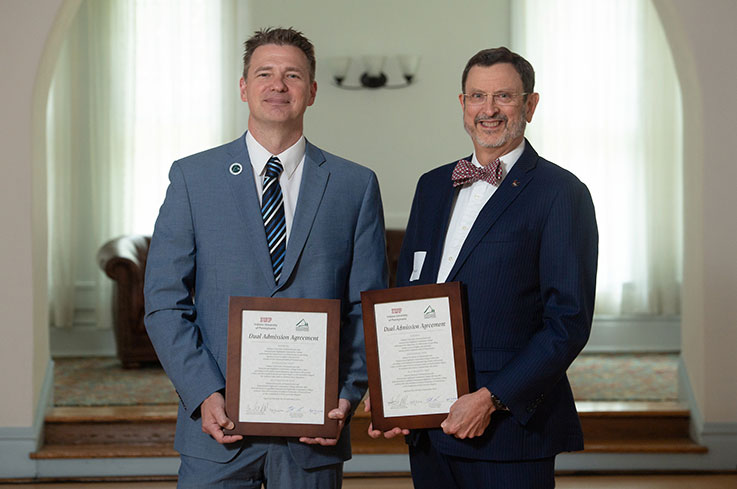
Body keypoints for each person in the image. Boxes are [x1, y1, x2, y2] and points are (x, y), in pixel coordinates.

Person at [144, 27, 387, 488]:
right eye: (265, 74)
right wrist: (203, 394)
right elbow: (163, 301)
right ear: (243, 88)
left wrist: (345, 395)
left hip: (313, 438)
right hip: (218, 430)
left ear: (312, 92)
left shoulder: (354, 186)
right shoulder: (193, 179)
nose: (278, 85)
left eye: (293, 75)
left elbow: (365, 307)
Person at [367, 47, 598, 488]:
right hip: (429, 430)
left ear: (530, 105)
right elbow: (407, 301)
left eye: (504, 97)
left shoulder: (561, 193)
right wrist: (394, 395)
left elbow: (568, 322)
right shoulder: (433, 186)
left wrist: (492, 400)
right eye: (477, 96)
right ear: (462, 104)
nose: (488, 110)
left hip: (508, 433)